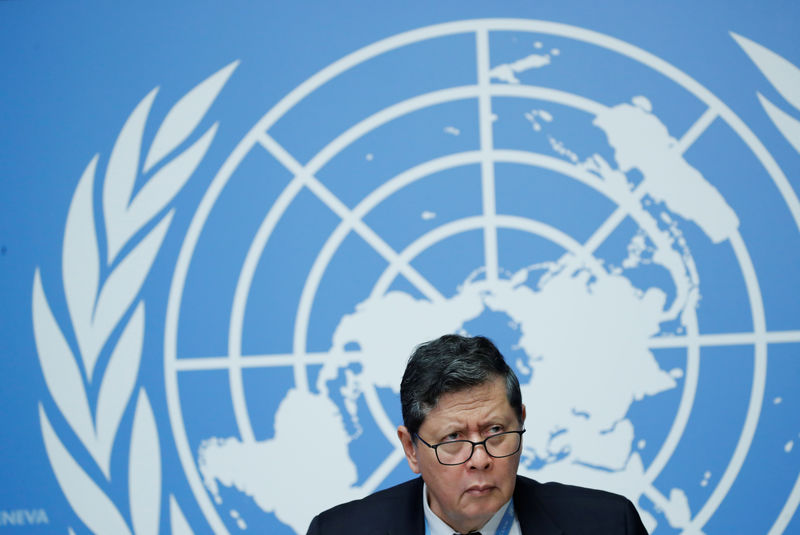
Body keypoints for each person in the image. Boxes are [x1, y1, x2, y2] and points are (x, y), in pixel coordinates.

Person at [307, 334, 648, 534]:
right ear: (411, 449)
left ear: (521, 422)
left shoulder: (608, 525)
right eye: (454, 438)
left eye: (496, 431)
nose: (481, 459)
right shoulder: (340, 533)